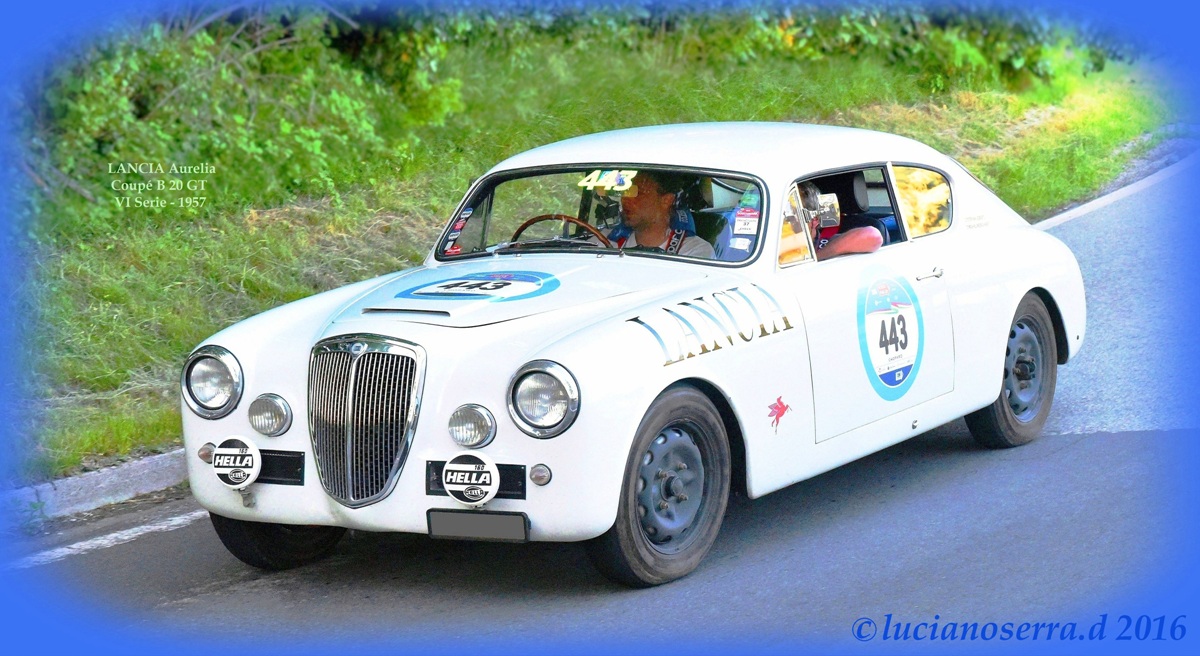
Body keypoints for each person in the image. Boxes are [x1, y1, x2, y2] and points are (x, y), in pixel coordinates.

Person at [601, 170, 715, 259]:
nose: (625, 199)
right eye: (625, 191)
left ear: (666, 200)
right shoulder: (603, 241)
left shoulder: (694, 252)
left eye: (637, 193)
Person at [798, 181, 882, 260]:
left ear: (815, 219)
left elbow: (873, 235)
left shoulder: (829, 243)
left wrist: (817, 258)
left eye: (794, 214)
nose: (787, 222)